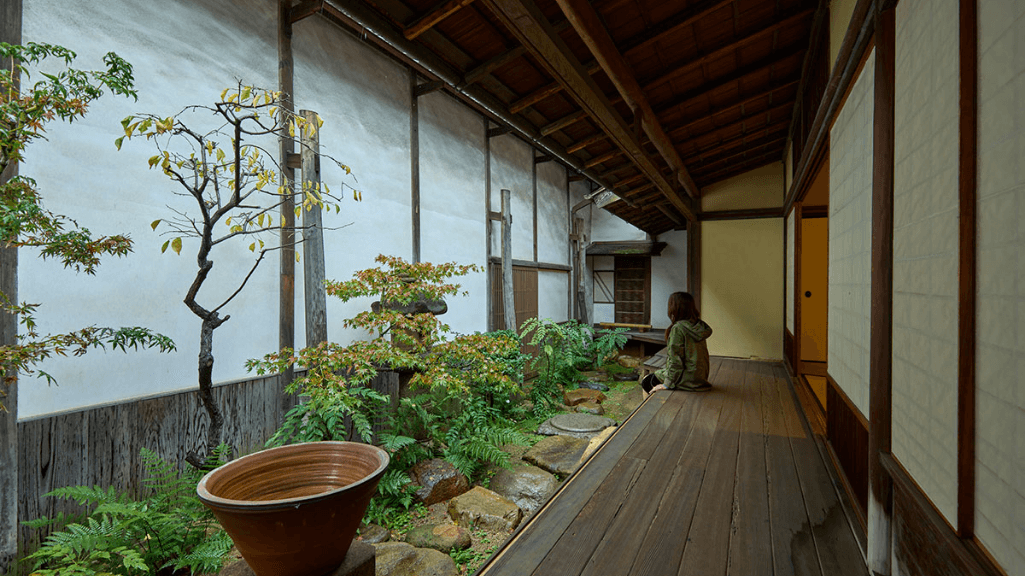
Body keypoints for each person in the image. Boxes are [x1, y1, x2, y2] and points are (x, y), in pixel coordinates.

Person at [640, 291, 713, 393]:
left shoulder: (679, 328)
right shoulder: (698, 325)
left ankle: (649, 408)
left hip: (687, 379)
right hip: (700, 377)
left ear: (675, 308)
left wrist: (667, 384)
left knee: (646, 381)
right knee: (654, 376)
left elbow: (676, 361)